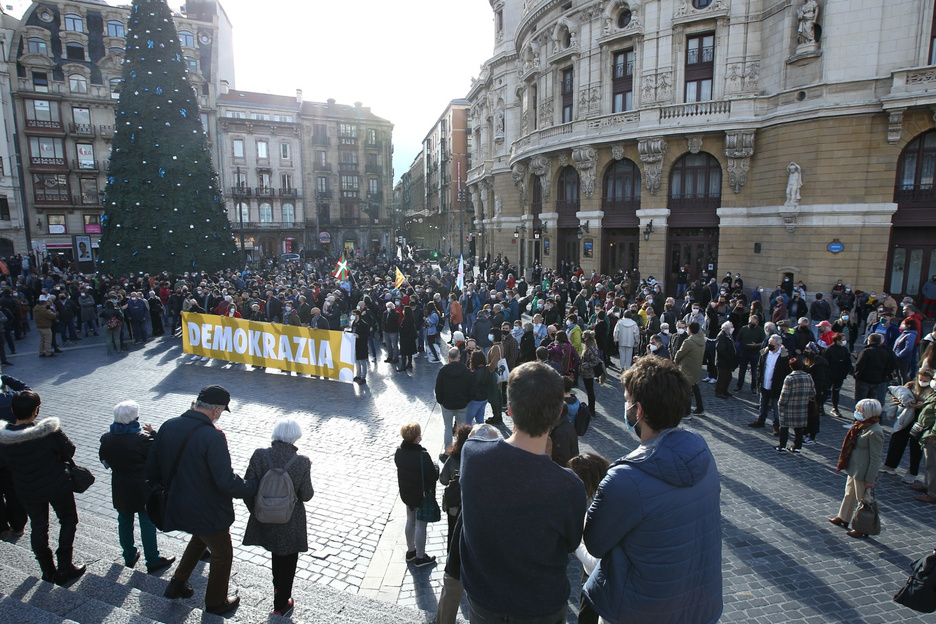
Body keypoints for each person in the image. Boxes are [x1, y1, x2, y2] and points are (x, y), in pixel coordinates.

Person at [583, 356, 722, 623]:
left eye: (626, 400)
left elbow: (595, 543)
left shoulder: (625, 478)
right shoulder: (700, 447)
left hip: (640, 610)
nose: (624, 406)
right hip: (700, 606)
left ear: (639, 411)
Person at [459, 362, 587, 623]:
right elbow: (573, 542)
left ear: (509, 411)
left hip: (484, 602)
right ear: (558, 414)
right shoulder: (569, 486)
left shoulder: (472, 454)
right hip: (541, 607)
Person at [147, 385, 257, 616]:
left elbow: (153, 467)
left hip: (177, 503)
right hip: (207, 509)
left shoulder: (168, 425)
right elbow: (225, 481)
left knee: (200, 538)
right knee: (222, 553)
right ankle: (216, 603)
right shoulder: (213, 436)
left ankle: (177, 583)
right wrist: (250, 487)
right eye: (221, 412)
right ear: (217, 410)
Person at [0, 391, 86, 585]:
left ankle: (48, 571)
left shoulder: (4, 437)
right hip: (57, 484)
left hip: (27, 488)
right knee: (68, 520)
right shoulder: (49, 432)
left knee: (38, 526)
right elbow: (69, 451)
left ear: (13, 410)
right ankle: (65, 565)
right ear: (36, 410)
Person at [242, 418, 314, 617]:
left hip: (264, 516)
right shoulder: (301, 461)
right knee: (288, 557)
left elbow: (249, 487)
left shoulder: (259, 455)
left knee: (275, 550)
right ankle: (281, 603)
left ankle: (277, 590)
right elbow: (306, 495)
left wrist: (257, 510)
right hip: (290, 518)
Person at [99, 400, 174, 574]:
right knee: (147, 522)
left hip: (120, 485)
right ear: (135, 419)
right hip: (142, 487)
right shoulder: (142, 441)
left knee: (124, 520)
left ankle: (129, 555)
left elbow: (104, 461)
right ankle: (152, 559)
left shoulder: (107, 438)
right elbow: (160, 457)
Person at [828, 399, 884, 538]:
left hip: (863, 471)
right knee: (849, 493)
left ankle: (862, 527)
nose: (857, 413)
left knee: (863, 500)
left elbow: (876, 458)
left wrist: (870, 478)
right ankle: (843, 517)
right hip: (853, 468)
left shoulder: (875, 431)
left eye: (860, 410)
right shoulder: (861, 426)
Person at [394, 422, 438, 568]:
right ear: (416, 438)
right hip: (421, 495)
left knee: (410, 520)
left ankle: (410, 550)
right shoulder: (422, 456)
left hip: (407, 493)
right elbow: (432, 476)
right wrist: (436, 467)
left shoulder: (399, 452)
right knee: (420, 525)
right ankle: (420, 556)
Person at [881, 368, 932, 484]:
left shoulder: (932, 391)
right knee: (897, 440)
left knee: (916, 447)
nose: (922, 382)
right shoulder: (911, 385)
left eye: (925, 380)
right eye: (921, 380)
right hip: (906, 418)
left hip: (921, 421)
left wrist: (921, 405)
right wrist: (908, 402)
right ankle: (889, 465)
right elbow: (898, 397)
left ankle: (912, 473)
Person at [749, 334, 791, 433]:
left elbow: (787, 373)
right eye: (769, 343)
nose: (769, 345)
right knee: (763, 404)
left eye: (771, 344)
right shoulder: (765, 353)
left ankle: (777, 426)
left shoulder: (785, 357)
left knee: (776, 407)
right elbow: (760, 367)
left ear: (778, 344)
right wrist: (758, 380)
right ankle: (761, 421)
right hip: (765, 384)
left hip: (776, 386)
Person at [439, 424, 470, 553]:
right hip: (469, 505)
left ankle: (451, 560)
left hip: (454, 505)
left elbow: (443, 479)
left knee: (452, 532)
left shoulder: (453, 458)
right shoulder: (476, 457)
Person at [435, 347, 472, 456]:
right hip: (462, 404)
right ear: (459, 356)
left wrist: (440, 400)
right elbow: (471, 388)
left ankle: (447, 452)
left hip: (447, 404)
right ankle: (460, 451)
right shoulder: (466, 371)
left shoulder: (443, 370)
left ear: (448, 357)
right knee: (461, 430)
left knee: (447, 427)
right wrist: (467, 400)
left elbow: (438, 388)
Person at [776, 358, 816, 453]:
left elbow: (784, 394)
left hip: (789, 407)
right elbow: (813, 392)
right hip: (802, 407)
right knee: (799, 428)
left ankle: (782, 446)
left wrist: (780, 404)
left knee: (784, 427)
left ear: (791, 367)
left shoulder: (790, 378)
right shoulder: (808, 377)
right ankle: (797, 447)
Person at [909, 377, 936, 503]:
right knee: (927, 462)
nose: (933, 380)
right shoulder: (933, 394)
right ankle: (927, 485)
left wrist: (933, 436)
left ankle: (933, 493)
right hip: (926, 433)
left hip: (932, 436)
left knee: (932, 464)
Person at [854, 333, 896, 408]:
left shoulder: (866, 352)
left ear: (869, 341)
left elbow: (859, 365)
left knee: (860, 402)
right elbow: (888, 367)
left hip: (864, 380)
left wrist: (857, 376)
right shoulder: (884, 352)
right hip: (877, 381)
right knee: (872, 402)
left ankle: (859, 417)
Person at [675, 321, 706, 416]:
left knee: (686, 389)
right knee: (695, 387)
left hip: (687, 367)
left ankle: (686, 412)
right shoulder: (701, 339)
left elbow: (680, 354)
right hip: (696, 366)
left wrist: (676, 361)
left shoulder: (689, 342)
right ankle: (700, 408)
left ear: (689, 330)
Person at [825, 332, 853, 418]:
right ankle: (820, 407)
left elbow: (847, 361)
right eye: (843, 340)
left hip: (840, 375)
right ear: (838, 340)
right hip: (830, 374)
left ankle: (835, 408)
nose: (845, 341)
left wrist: (850, 370)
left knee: (836, 391)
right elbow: (826, 362)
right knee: (826, 391)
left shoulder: (844, 349)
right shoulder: (829, 349)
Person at [579, 330, 602, 415]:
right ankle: (590, 407)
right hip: (585, 372)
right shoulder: (588, 346)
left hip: (589, 372)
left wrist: (586, 365)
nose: (582, 338)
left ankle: (592, 409)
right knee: (589, 390)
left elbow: (595, 361)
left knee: (590, 391)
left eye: (584, 337)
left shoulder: (592, 348)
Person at [714, 321, 738, 399]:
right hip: (722, 361)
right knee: (722, 377)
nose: (732, 328)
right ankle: (719, 392)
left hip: (728, 361)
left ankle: (725, 390)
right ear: (727, 328)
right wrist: (728, 357)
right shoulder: (721, 336)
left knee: (728, 377)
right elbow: (720, 350)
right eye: (731, 327)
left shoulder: (729, 335)